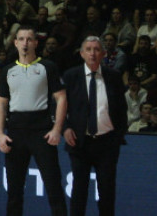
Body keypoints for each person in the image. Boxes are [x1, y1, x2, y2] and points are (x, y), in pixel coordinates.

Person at [0, 26, 68, 216]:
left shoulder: (47, 67)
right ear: (15, 42)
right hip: (16, 131)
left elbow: (61, 98)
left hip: (41, 130)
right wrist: (0, 134)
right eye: (21, 39)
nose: (25, 43)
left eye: (29, 39)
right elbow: (2, 103)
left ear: (36, 42)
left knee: (53, 186)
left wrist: (56, 129)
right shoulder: (8, 70)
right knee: (14, 190)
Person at [62, 36, 127, 216]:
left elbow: (122, 109)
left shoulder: (113, 77)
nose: (92, 53)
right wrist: (65, 128)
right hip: (79, 142)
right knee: (79, 191)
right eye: (88, 49)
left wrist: (117, 136)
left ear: (104, 54)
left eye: (97, 49)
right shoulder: (71, 76)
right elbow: (59, 106)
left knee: (106, 191)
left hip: (106, 143)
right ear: (82, 53)